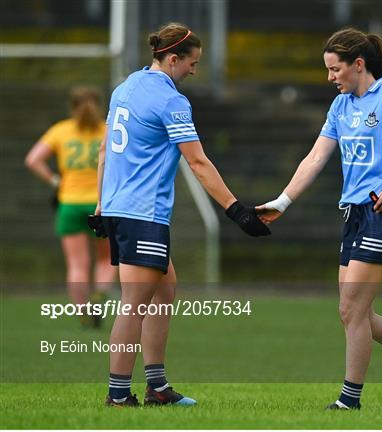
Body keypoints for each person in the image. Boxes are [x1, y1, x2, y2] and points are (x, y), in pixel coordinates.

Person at [257, 28, 382, 410]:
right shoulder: (341, 106)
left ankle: (350, 401)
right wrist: (282, 202)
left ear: (358, 65)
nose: (330, 77)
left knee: (352, 309)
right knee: (355, 312)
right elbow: (315, 158)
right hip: (353, 214)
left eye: (335, 69)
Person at [91, 22, 270, 408]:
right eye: (192, 63)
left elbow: (105, 150)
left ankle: (156, 387)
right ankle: (118, 395)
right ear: (173, 58)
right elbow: (198, 162)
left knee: (165, 287)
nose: (194, 70)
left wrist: (102, 202)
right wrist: (237, 211)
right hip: (142, 212)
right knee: (134, 304)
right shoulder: (170, 101)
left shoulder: (126, 87)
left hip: (123, 208)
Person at [25, 86, 116, 327]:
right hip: (101, 205)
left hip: (69, 204)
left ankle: (83, 312)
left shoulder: (61, 130)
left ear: (72, 106)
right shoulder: (108, 131)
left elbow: (33, 160)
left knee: (77, 264)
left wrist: (55, 180)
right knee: (106, 258)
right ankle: (100, 294)